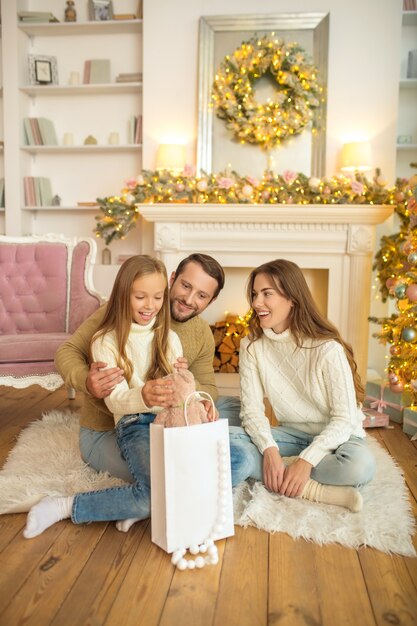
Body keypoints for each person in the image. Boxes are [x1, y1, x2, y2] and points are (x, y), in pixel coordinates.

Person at [24, 255, 205, 538]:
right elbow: (116, 401)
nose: (150, 305)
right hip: (132, 425)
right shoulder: (105, 341)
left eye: (158, 297)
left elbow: (177, 395)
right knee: (155, 493)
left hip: (167, 421)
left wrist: (187, 386)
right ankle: (64, 506)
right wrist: (143, 396)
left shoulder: (170, 338)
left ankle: (127, 507)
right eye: (141, 297)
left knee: (188, 477)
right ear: (123, 295)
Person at [55, 252, 241, 482]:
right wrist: (86, 380)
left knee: (234, 407)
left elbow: (210, 388)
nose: (189, 299)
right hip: (112, 427)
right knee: (167, 477)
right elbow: (67, 351)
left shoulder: (201, 332)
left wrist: (184, 381)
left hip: (161, 420)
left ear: (211, 301)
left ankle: (216, 450)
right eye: (185, 286)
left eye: (201, 295)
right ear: (172, 279)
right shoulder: (128, 307)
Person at [229, 259, 376, 512]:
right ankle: (315, 490)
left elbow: (344, 419)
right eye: (254, 294)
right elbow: (252, 410)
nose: (256, 303)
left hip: (338, 438)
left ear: (292, 299)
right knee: (221, 436)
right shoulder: (251, 345)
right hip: (291, 435)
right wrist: (271, 451)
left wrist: (307, 461)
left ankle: (281, 472)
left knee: (359, 466)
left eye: (267, 294)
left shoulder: (327, 349)